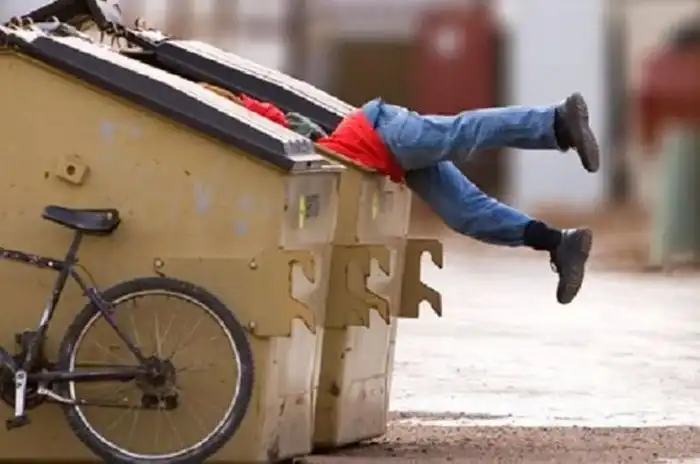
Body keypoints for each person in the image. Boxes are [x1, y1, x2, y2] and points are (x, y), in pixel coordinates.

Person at [201, 84, 598, 305]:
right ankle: (558, 243)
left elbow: (264, 114)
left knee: (461, 133)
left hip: (382, 132)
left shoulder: (249, 117)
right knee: (466, 214)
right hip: (388, 157)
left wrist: (219, 101)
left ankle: (555, 121)